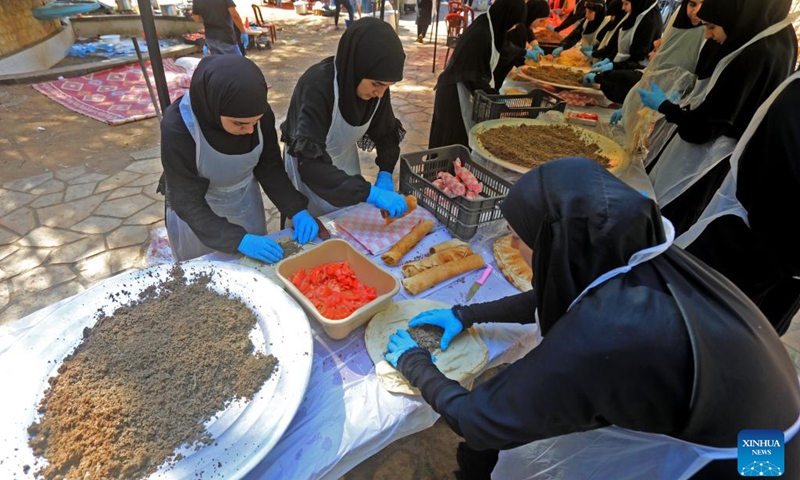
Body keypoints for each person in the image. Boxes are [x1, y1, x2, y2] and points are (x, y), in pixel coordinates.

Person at [384, 157, 800, 480]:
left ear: (557, 242)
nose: (511, 245)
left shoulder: (610, 332)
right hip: (777, 420)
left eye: (518, 237)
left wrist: (415, 365)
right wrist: (467, 312)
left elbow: (479, 420)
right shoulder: (637, 254)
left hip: (748, 461)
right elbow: (556, 295)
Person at [638, 0, 797, 235]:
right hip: (720, 155)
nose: (708, 34)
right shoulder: (779, 38)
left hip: (707, 161)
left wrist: (666, 107)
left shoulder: (755, 54)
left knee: (665, 222)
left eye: (712, 26)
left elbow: (702, 129)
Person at [157, 55, 318, 263]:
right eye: (240, 124)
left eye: (255, 123)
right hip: (198, 216)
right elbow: (186, 201)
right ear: (215, 107)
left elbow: (269, 168)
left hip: (243, 200)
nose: (250, 130)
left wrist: (297, 209)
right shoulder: (179, 127)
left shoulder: (257, 115)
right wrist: (238, 239)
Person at [674, 71, 800, 335]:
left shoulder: (795, 100)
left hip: (754, 253)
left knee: (701, 333)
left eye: (710, 26)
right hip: (776, 261)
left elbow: (777, 192)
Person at [280, 18, 409, 219]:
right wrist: (370, 193)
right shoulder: (317, 86)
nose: (381, 94)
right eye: (377, 84)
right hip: (310, 167)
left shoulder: (376, 90)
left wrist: (385, 173)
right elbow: (311, 167)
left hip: (343, 158)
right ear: (358, 67)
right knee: (317, 230)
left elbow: (386, 134)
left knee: (349, 221)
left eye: (387, 86)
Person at [428, 0, 527, 149]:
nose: (513, 28)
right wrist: (497, 100)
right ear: (506, 17)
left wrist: (524, 53)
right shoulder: (481, 35)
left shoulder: (489, 26)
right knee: (452, 145)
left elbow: (501, 47)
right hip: (454, 96)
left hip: (462, 89)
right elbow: (475, 79)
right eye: (513, 23)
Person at [609, 0, 706, 123]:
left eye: (704, 5)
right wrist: (631, 104)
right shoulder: (677, 19)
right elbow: (656, 69)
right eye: (692, 4)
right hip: (660, 95)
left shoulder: (707, 34)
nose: (696, 11)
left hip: (681, 110)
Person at [582, 0, 663, 102]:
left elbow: (637, 60)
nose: (623, 8)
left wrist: (605, 73)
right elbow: (619, 44)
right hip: (621, 69)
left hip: (630, 75)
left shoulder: (650, 22)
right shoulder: (635, 14)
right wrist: (609, 60)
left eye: (626, 3)